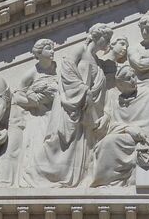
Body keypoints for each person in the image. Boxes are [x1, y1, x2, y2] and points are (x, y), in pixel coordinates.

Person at [21, 23, 111, 187]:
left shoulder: (97, 61)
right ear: (98, 36)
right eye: (107, 38)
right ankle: (36, 173)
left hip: (85, 111)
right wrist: (83, 90)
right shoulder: (80, 50)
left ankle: (72, 180)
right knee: (59, 140)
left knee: (76, 147)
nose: (108, 42)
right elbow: (66, 69)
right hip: (69, 105)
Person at [91, 66, 149, 187]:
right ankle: (108, 182)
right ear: (120, 85)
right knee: (107, 142)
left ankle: (108, 182)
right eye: (128, 79)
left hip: (146, 138)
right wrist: (127, 129)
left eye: (133, 76)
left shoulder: (148, 95)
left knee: (109, 142)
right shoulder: (115, 101)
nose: (133, 80)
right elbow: (112, 126)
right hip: (125, 137)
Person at [0, 39, 59, 187]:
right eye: (48, 48)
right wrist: (34, 101)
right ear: (39, 52)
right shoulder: (32, 73)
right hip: (38, 116)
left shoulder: (56, 69)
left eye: (52, 48)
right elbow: (16, 97)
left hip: (55, 114)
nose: (52, 51)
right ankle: (33, 178)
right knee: (37, 146)